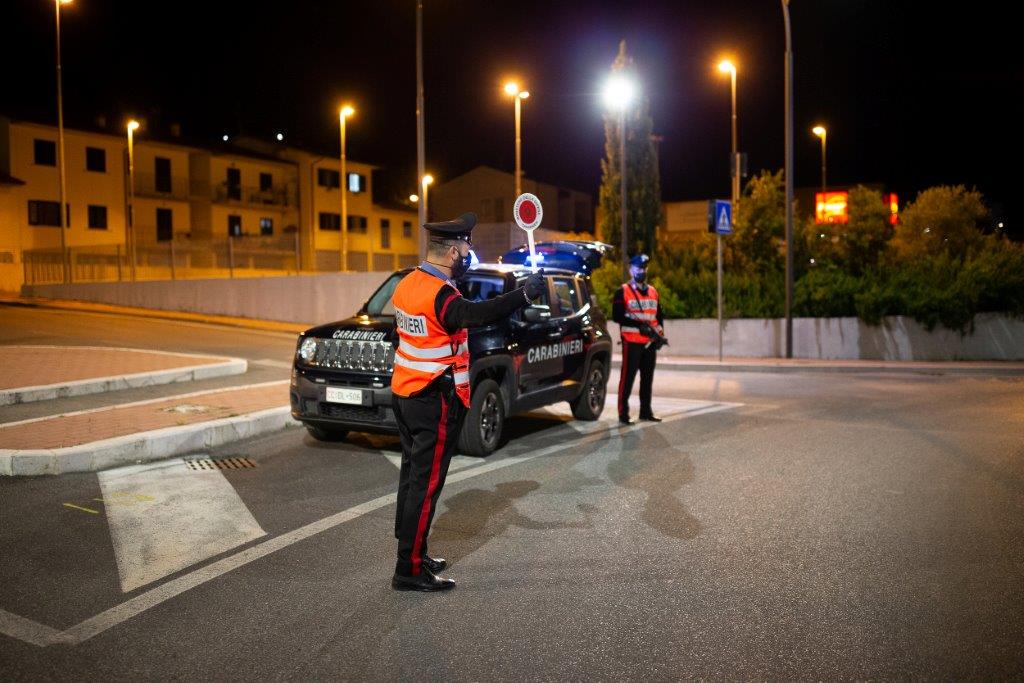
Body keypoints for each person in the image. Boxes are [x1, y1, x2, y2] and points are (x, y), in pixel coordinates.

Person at [390, 211, 546, 592]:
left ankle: (413, 550)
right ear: (454, 250)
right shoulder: (440, 293)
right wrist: (523, 294)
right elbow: (473, 315)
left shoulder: (408, 283)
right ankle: (408, 570)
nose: (470, 252)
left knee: (412, 478)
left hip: (406, 393)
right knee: (426, 485)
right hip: (432, 398)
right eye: (467, 246)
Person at [612, 253, 665, 425]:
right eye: (638, 268)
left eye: (644, 268)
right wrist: (638, 326)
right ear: (630, 270)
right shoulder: (622, 291)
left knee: (647, 379)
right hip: (632, 342)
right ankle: (623, 414)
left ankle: (645, 412)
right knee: (627, 379)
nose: (641, 271)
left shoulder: (653, 292)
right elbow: (617, 316)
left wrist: (660, 336)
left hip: (649, 343)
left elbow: (658, 316)